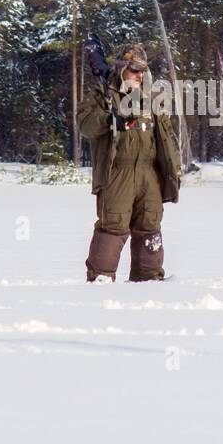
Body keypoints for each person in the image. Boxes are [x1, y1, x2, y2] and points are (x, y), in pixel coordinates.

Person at [77, 42, 180, 282]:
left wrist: (172, 170)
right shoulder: (103, 95)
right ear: (123, 69)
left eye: (143, 70)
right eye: (135, 70)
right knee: (113, 225)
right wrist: (111, 118)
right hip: (117, 172)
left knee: (150, 226)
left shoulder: (152, 97)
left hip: (149, 173)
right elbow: (85, 126)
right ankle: (100, 278)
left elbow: (165, 136)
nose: (140, 75)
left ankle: (149, 280)